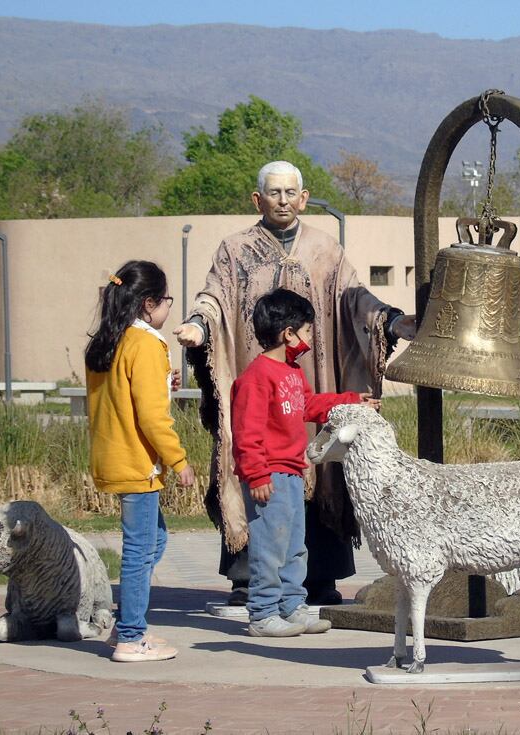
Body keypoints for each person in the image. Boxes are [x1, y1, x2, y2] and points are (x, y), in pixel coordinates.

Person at [174, 161, 415, 606]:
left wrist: (391, 321)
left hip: (311, 378)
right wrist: (200, 325)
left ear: (304, 198)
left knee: (320, 469)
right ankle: (252, 580)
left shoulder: (326, 250)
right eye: (274, 192)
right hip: (259, 375)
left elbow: (356, 298)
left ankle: (319, 576)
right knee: (255, 464)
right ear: (257, 199)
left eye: (291, 193)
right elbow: (214, 298)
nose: (283, 200)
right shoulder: (235, 251)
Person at [232, 288, 379, 636]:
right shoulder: (256, 377)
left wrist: (351, 402)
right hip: (269, 476)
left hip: (293, 474)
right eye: (308, 330)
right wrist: (257, 475)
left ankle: (291, 606)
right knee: (270, 548)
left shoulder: (292, 372)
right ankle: (263, 614)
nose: (309, 338)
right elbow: (245, 432)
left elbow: (310, 406)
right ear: (289, 333)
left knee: (295, 547)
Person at [86, 260, 197, 662]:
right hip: (139, 463)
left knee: (156, 540)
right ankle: (132, 636)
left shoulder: (109, 340)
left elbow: (121, 396)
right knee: (138, 550)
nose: (169, 308)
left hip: (111, 455)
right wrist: (179, 460)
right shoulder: (147, 344)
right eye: (166, 300)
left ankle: (126, 623)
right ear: (149, 303)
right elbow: (152, 417)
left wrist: (162, 382)